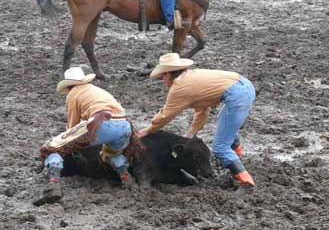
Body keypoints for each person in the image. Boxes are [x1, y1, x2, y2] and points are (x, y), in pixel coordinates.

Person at [137, 53, 256, 187]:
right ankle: (237, 159)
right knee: (226, 128)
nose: (164, 81)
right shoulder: (192, 78)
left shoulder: (179, 87)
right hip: (245, 86)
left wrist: (149, 129)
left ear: (169, 74)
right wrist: (191, 134)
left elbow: (166, 114)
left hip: (236, 96)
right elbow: (203, 110)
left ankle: (246, 183)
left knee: (220, 147)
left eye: (163, 77)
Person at [36, 67, 135, 206]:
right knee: (111, 153)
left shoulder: (73, 94)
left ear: (69, 85)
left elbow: (72, 126)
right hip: (124, 125)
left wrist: (68, 143)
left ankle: (53, 185)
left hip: (101, 123)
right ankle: (126, 178)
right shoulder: (97, 90)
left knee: (51, 148)